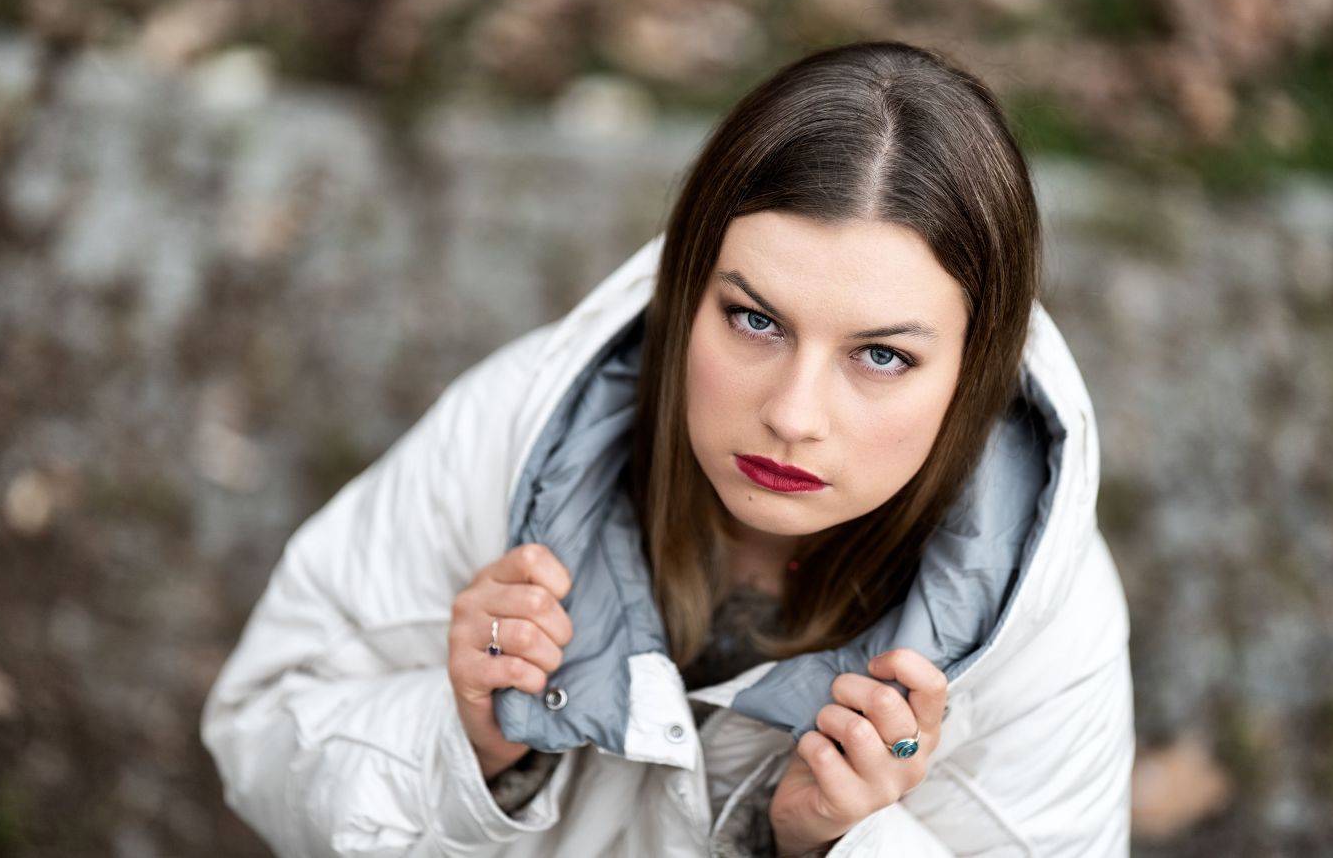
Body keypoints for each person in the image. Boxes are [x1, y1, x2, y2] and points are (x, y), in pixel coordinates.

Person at [200, 41, 1134, 856]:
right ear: (688, 291)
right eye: (755, 320)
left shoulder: (1045, 627)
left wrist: (830, 843)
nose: (793, 414)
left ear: (975, 369)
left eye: (881, 355)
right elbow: (257, 730)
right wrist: (468, 746)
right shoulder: (515, 433)